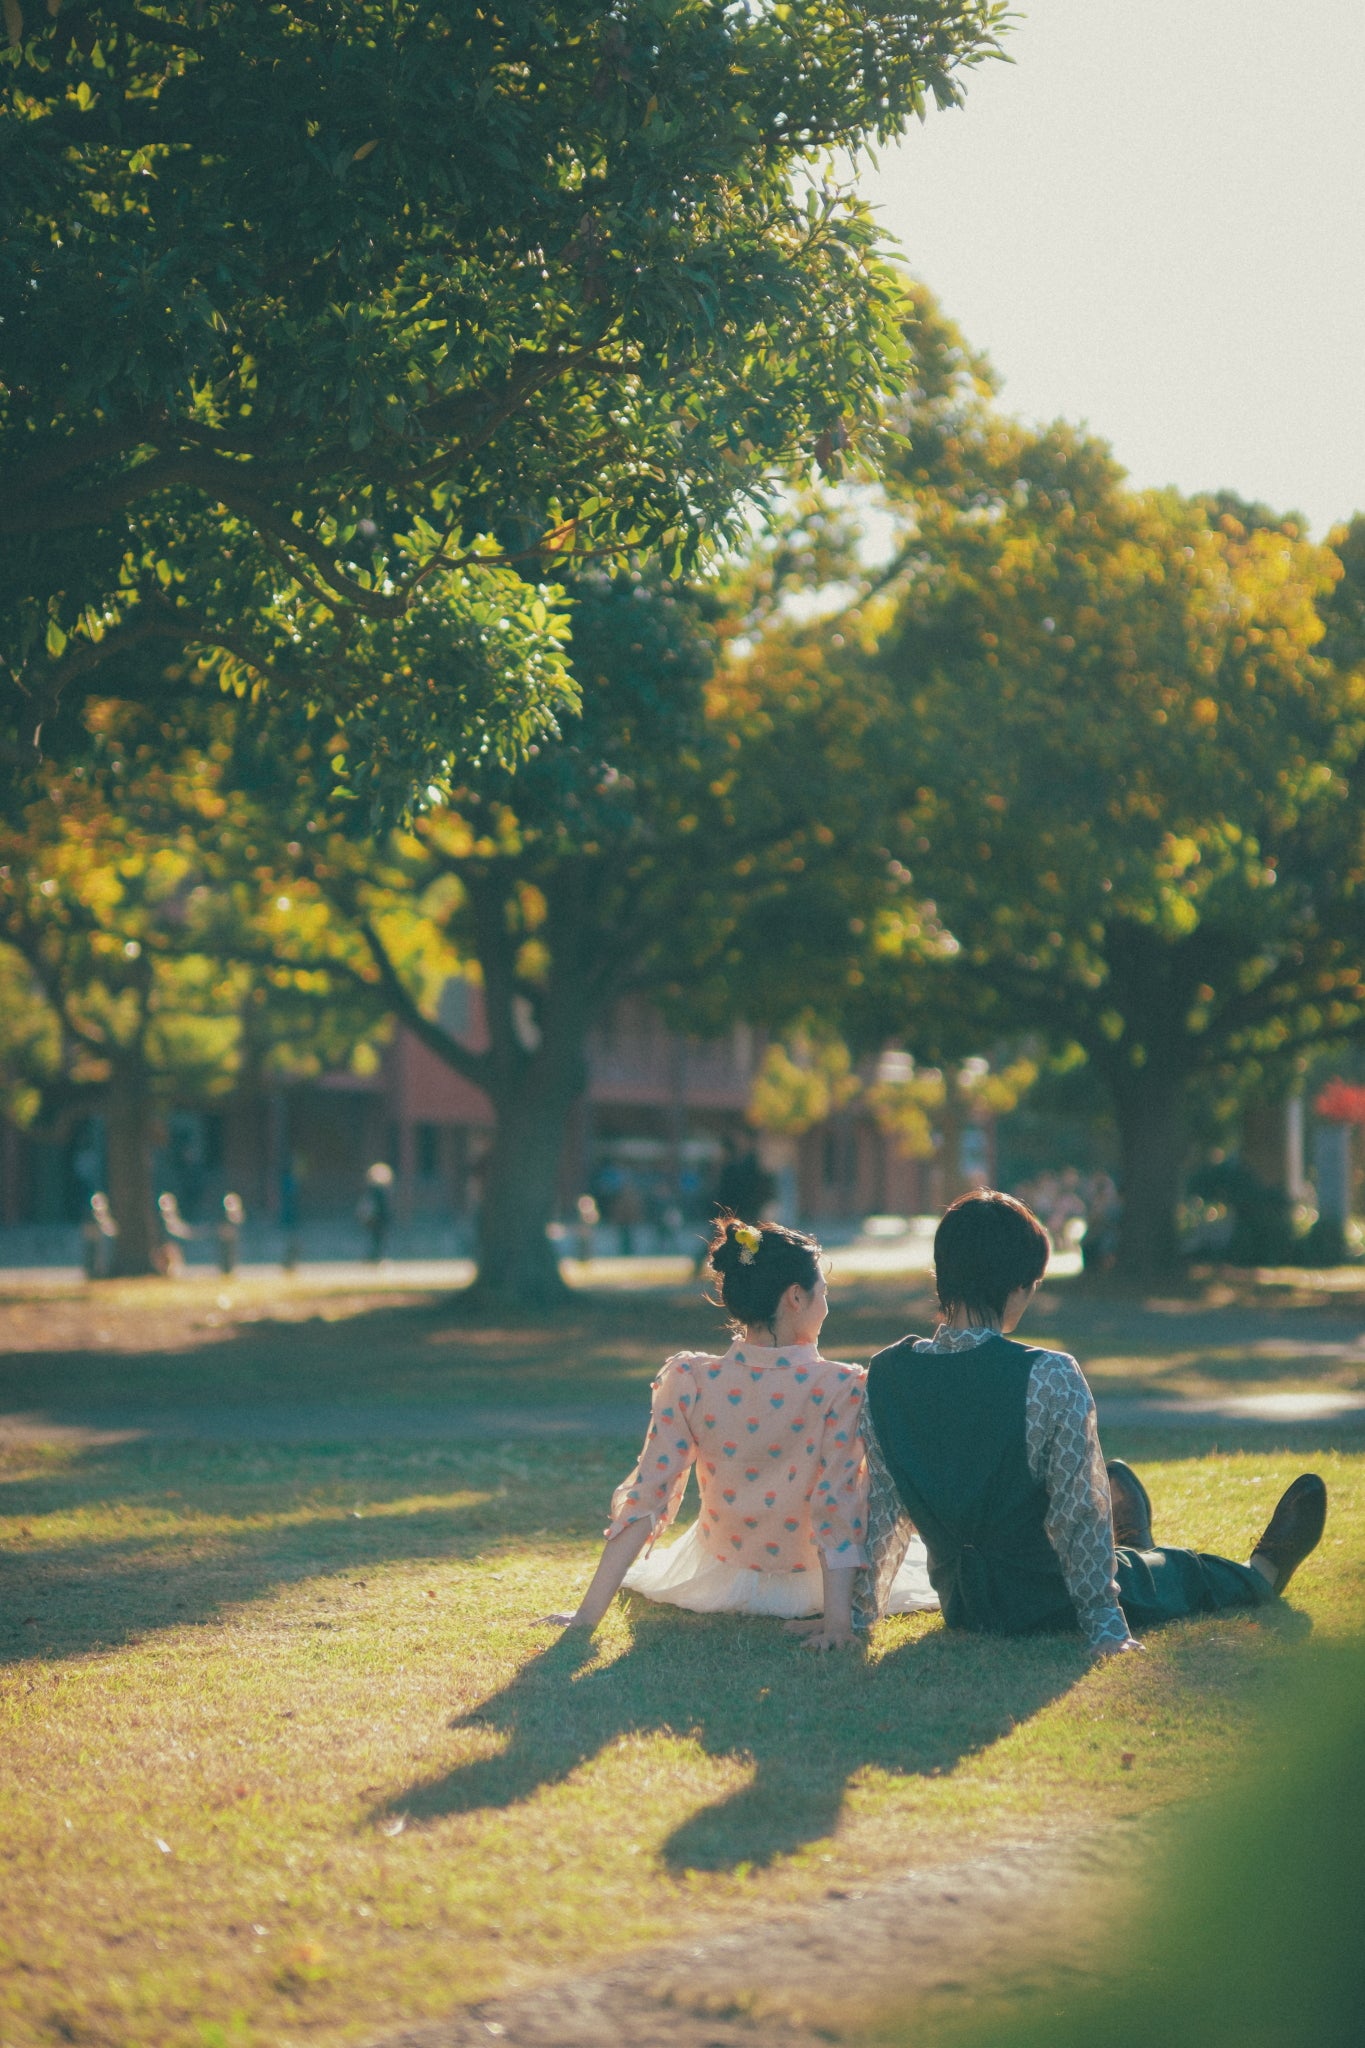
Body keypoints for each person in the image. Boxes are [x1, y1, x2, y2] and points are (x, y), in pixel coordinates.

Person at [855, 1190, 1328, 1649]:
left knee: (1128, 1559)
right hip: (1048, 1599)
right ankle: (1260, 1574)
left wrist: (857, 1616)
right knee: (1178, 1571)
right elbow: (1078, 1510)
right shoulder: (1048, 1374)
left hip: (965, 1602)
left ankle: (1133, 1547)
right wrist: (1105, 1624)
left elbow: (883, 1510)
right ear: (1018, 1286)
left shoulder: (887, 1372)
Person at [548, 1218, 938, 1646]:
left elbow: (649, 1494)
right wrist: (838, 1623)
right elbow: (837, 1504)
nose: (825, 1306)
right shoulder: (840, 1387)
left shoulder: (690, 1379)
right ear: (795, 1297)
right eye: (822, 1294)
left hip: (717, 1575)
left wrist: (586, 1616)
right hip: (814, 1585)